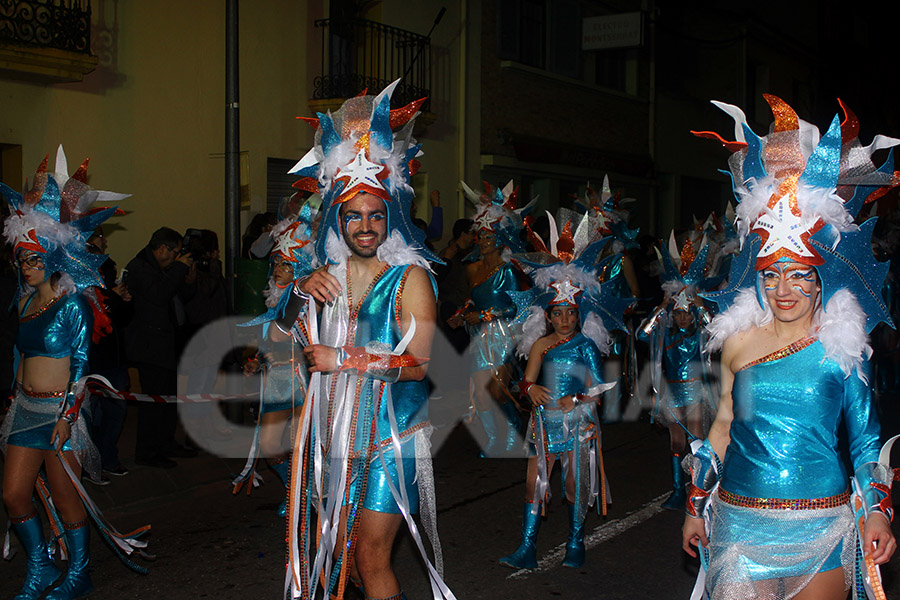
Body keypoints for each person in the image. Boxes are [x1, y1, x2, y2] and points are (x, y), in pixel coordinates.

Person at [681, 96, 897, 598]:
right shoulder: (737, 343)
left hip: (821, 527)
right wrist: (695, 506)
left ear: (820, 279)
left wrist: (879, 513)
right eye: (773, 275)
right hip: (739, 523)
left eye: (799, 275)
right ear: (757, 280)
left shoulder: (841, 349)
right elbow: (722, 425)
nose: (784, 289)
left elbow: (866, 443)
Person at [284, 81, 453, 600]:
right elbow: (283, 329)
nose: (365, 225)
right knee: (340, 555)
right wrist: (297, 288)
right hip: (334, 437)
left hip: (391, 438)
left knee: (370, 556)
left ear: (390, 216)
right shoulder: (323, 274)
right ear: (337, 216)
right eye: (353, 214)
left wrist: (346, 358)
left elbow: (420, 365)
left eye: (375, 214)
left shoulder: (410, 279)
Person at [1, 147, 147, 600]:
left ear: (52, 258)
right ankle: (41, 567)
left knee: (67, 500)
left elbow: (82, 367)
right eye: (22, 260)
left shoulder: (72, 306)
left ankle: (79, 573)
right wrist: (12, 395)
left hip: (60, 415)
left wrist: (68, 416)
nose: (28, 268)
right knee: (13, 496)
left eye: (35, 259)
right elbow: (19, 356)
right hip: (25, 411)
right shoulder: (23, 302)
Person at [498, 213, 624, 570]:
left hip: (578, 422)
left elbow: (601, 386)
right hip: (544, 423)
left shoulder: (584, 345)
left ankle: (574, 541)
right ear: (548, 315)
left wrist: (579, 399)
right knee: (533, 486)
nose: (565, 320)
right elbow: (525, 382)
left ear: (578, 313)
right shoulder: (540, 345)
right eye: (559, 314)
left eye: (571, 313)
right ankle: (526, 547)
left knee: (573, 488)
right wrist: (531, 387)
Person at [234, 205, 317, 516]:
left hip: (298, 380)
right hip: (273, 380)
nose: (278, 268)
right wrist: (256, 360)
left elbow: (304, 340)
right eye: (276, 262)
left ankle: (301, 495)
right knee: (270, 447)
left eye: (285, 263)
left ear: (298, 269)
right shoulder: (271, 297)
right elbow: (268, 340)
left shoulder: (305, 302)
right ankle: (297, 489)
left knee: (298, 446)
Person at [449, 180, 533, 457]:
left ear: (500, 240)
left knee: (497, 391)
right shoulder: (472, 269)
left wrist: (483, 315)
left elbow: (516, 307)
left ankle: (514, 434)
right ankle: (497, 439)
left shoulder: (507, 270)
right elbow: (472, 299)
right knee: (480, 393)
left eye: (489, 238)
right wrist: (461, 315)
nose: (483, 242)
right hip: (477, 335)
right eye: (481, 237)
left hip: (503, 334)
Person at [637, 235, 717, 510]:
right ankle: (676, 489)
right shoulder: (665, 335)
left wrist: (698, 304)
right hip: (672, 392)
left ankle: (699, 488)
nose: (683, 318)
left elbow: (715, 328)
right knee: (676, 440)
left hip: (695, 389)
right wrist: (661, 306)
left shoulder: (699, 337)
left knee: (696, 436)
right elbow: (641, 334)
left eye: (687, 314)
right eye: (678, 313)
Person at [124, 226, 196, 468]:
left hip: (167, 343)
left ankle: (166, 443)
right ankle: (147, 452)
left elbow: (181, 296)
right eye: (175, 252)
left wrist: (187, 276)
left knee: (168, 399)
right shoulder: (139, 268)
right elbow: (159, 295)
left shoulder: (162, 269)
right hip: (150, 347)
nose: (177, 257)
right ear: (163, 249)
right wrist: (178, 269)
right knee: (153, 402)